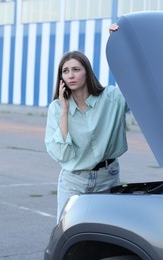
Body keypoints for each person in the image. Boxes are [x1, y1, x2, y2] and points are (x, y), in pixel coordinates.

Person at [45, 50, 129, 222]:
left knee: (108, 233)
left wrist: (121, 42)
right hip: (73, 181)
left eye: (76, 69)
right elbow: (61, 154)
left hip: (108, 177)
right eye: (65, 71)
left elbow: (134, 84)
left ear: (87, 72)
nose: (70, 75)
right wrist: (64, 111)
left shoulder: (111, 98)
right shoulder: (56, 108)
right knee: (68, 233)